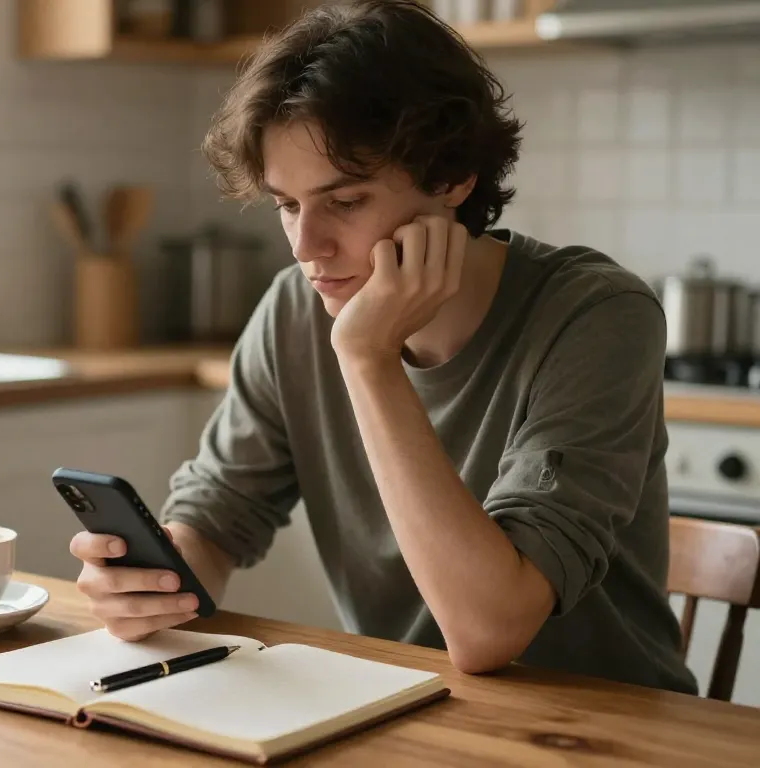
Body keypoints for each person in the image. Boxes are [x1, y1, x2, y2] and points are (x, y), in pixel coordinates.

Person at [69, 0, 698, 695]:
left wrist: (367, 359)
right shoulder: (292, 309)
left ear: (453, 177)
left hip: (607, 733)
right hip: (402, 711)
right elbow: (217, 518)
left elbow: (490, 631)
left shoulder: (596, 315)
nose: (308, 248)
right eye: (287, 205)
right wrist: (154, 581)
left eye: (345, 201)